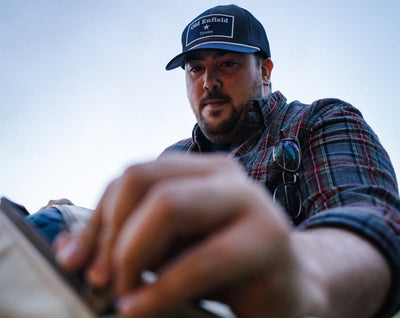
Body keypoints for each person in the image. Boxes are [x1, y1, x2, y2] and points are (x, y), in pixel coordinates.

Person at [40, 4, 400, 318]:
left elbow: (374, 222)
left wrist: (304, 273)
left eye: (227, 63)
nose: (209, 81)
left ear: (265, 71)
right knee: (50, 230)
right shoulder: (175, 158)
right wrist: (90, 229)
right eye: (195, 69)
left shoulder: (319, 120)